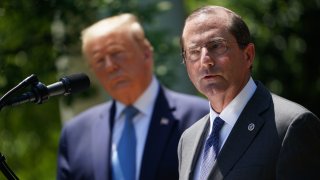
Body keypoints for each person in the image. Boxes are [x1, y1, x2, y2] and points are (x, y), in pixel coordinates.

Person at [57, 13, 208, 180]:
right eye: (99, 60)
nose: (110, 66)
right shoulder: (75, 135)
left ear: (146, 53)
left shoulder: (200, 117)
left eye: (116, 53)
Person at [178, 5, 320, 180]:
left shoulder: (291, 126)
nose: (205, 60)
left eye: (216, 46)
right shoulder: (188, 139)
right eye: (194, 51)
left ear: (248, 55)